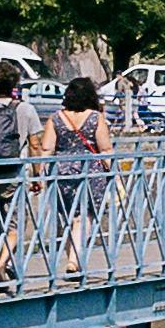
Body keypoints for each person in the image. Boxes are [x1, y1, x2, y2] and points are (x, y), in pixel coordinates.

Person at [0, 60, 45, 269]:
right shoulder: (26, 109)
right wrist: (37, 174)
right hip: (15, 172)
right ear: (15, 84)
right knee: (16, 225)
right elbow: (35, 144)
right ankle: (1, 265)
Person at [44, 73, 113, 276]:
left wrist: (40, 174)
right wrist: (111, 171)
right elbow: (105, 149)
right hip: (89, 172)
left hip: (61, 172)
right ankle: (74, 260)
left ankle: (72, 259)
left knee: (67, 217)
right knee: (84, 216)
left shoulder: (56, 118)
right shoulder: (95, 118)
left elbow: (47, 149)